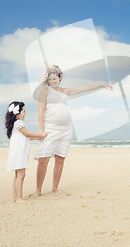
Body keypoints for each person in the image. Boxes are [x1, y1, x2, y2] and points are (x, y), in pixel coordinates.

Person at [31, 65, 112, 197]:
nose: (53, 81)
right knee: (43, 159)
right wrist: (41, 129)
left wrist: (102, 85)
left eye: (55, 78)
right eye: (50, 79)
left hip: (66, 129)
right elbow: (40, 111)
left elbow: (84, 88)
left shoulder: (65, 91)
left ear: (60, 77)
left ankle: (55, 188)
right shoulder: (45, 91)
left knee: (60, 158)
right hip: (50, 128)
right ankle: (38, 190)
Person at [5, 101, 48, 202]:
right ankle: (19, 197)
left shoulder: (15, 124)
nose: (25, 113)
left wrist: (36, 138)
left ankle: (15, 197)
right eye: (24, 111)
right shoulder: (19, 123)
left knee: (17, 174)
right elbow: (27, 134)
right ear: (17, 113)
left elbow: (25, 137)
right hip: (19, 152)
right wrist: (41, 134)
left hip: (16, 151)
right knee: (21, 174)